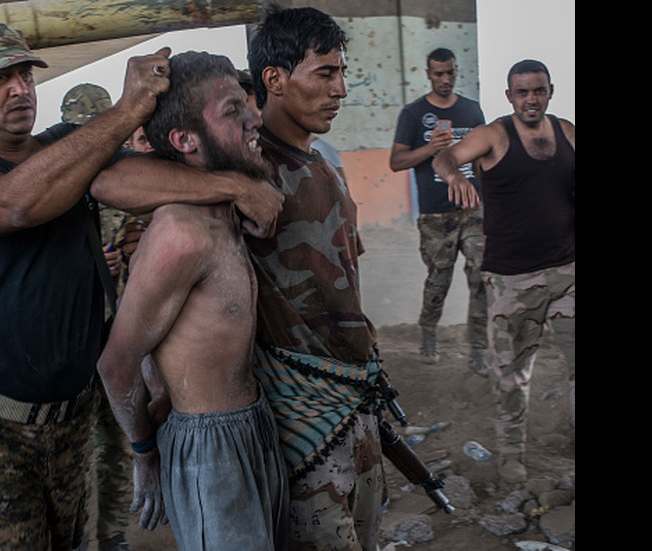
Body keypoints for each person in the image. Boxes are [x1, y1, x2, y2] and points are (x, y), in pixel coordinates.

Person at [93, 5, 388, 549]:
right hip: (294, 422)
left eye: (341, 72)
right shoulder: (246, 165)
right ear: (274, 79)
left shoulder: (323, 163)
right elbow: (109, 180)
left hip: (349, 404)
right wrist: (237, 188)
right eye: (325, 73)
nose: (340, 89)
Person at [0, 22, 183, 549]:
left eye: (25, 75)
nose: (19, 89)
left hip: (68, 420)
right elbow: (14, 205)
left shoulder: (66, 149)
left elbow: (146, 183)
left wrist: (238, 184)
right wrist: (126, 111)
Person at [98, 51, 289, 550]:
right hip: (208, 445)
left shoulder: (229, 208)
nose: (254, 118)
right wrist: (145, 455)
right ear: (184, 140)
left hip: (254, 427)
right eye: (232, 111)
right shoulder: (181, 232)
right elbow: (117, 364)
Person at [433, 59, 575, 484]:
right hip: (513, 279)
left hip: (568, 272)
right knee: (512, 376)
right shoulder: (492, 134)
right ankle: (511, 454)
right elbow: (445, 156)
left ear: (550, 91)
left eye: (538, 91)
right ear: (509, 95)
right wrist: (455, 176)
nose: (531, 99)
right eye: (522, 92)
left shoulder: (568, 132)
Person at [60, 83, 131, 551]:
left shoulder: (126, 185)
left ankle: (114, 535)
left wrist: (126, 257)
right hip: (69, 338)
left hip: (114, 333)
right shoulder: (53, 188)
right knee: (73, 450)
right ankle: (78, 538)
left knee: (119, 443)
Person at [389, 47, 488, 373]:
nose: (445, 79)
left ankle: (478, 349)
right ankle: (429, 332)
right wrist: (430, 148)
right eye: (439, 73)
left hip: (473, 210)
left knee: (480, 276)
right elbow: (396, 162)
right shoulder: (413, 114)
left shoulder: (472, 111)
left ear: (456, 71)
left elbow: (482, 158)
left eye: (450, 73)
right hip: (435, 215)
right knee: (439, 280)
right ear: (429, 74)